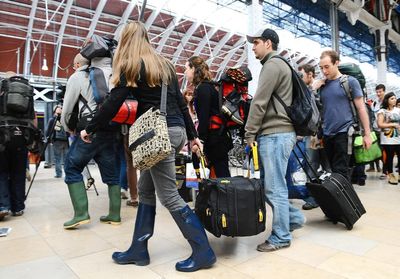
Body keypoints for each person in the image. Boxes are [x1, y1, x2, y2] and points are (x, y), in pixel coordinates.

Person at [80, 21, 216, 272]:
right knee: (145, 189)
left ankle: (203, 251)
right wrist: (192, 135)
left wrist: (90, 128)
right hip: (173, 131)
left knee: (169, 196)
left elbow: (113, 102)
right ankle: (138, 249)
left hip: (155, 134)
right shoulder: (163, 63)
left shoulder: (132, 64)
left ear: (126, 40)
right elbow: (179, 102)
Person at [245, 28, 305, 252]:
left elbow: (259, 102)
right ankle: (294, 219)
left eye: (257, 42)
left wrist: (249, 133)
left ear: (268, 43)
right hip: (280, 133)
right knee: (273, 186)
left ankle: (281, 236)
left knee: (274, 188)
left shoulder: (272, 65)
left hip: (275, 133)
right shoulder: (283, 64)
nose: (253, 47)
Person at [61, 53, 121, 229]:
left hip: (89, 128)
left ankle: (81, 214)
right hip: (111, 128)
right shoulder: (112, 75)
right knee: (111, 174)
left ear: (78, 63)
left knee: (71, 166)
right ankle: (114, 214)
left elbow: (67, 108)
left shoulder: (78, 76)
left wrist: (67, 127)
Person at [313, 50, 372, 180]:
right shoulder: (322, 86)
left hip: (345, 133)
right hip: (327, 134)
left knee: (341, 173)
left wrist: (367, 134)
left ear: (337, 63)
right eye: (321, 68)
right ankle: (339, 199)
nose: (324, 71)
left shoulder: (350, 82)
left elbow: (362, 108)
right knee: (332, 173)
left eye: (327, 67)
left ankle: (345, 199)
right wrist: (313, 88)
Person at [184, 56, 233, 178]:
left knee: (221, 175)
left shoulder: (203, 89)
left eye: (187, 69)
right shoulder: (208, 87)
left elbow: (204, 118)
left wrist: (200, 141)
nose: (185, 72)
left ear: (194, 69)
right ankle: (222, 196)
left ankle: (226, 196)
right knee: (220, 173)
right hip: (219, 137)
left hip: (215, 139)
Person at [0, 71, 37, 219]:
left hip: (3, 135)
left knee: (2, 172)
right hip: (22, 136)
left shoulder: (2, 90)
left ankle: (3, 205)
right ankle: (18, 207)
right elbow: (33, 119)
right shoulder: (27, 94)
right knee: (19, 172)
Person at [377, 92, 400, 185]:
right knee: (389, 158)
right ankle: (390, 175)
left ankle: (398, 175)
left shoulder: (398, 110)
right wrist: (393, 124)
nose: (394, 100)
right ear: (387, 100)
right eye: (392, 98)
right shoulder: (382, 111)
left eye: (395, 98)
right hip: (387, 139)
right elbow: (380, 124)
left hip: (398, 138)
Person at [367, 84, 386, 178]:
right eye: (377, 92)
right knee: (374, 148)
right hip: (375, 129)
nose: (378, 93)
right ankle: (374, 167)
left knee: (383, 150)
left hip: (384, 131)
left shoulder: (387, 103)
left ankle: (385, 169)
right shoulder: (375, 103)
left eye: (380, 91)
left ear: (384, 91)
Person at [46, 105, 69, 178]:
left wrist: (49, 140)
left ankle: (59, 174)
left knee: (57, 158)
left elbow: (48, 131)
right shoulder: (65, 119)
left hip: (56, 141)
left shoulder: (52, 119)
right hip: (66, 141)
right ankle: (68, 174)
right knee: (66, 159)